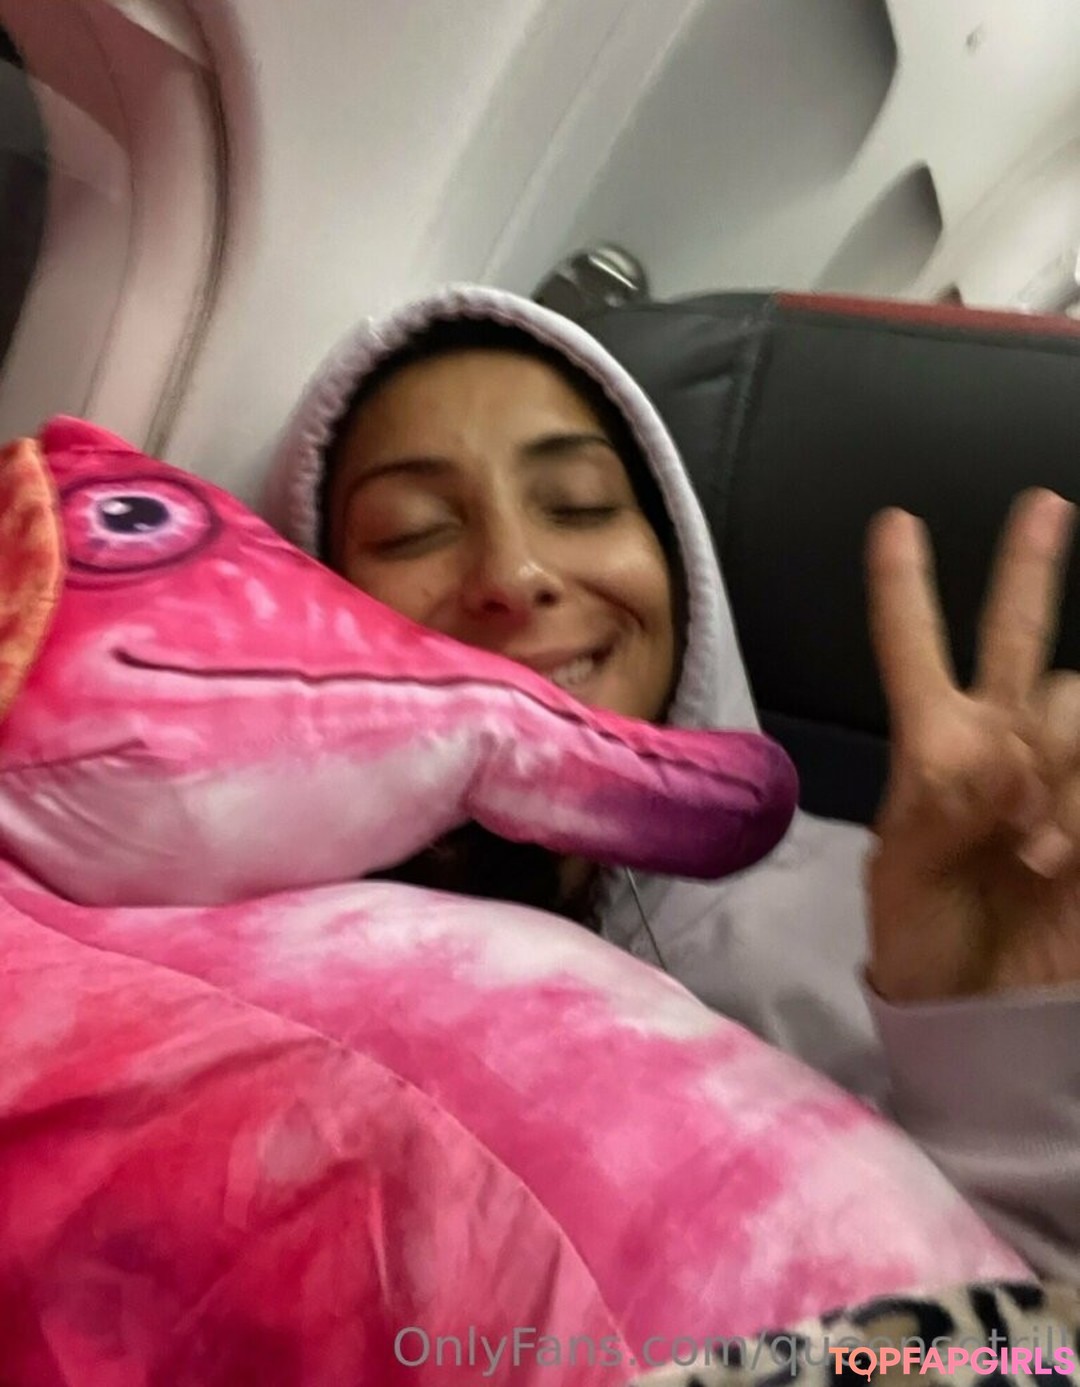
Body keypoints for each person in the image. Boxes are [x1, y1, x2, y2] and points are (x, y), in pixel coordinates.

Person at [268, 283, 1080, 1278]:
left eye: (580, 504)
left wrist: (996, 1059)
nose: (515, 572)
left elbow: (1015, 1344)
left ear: (678, 561)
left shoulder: (899, 916)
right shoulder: (295, 965)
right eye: (412, 530)